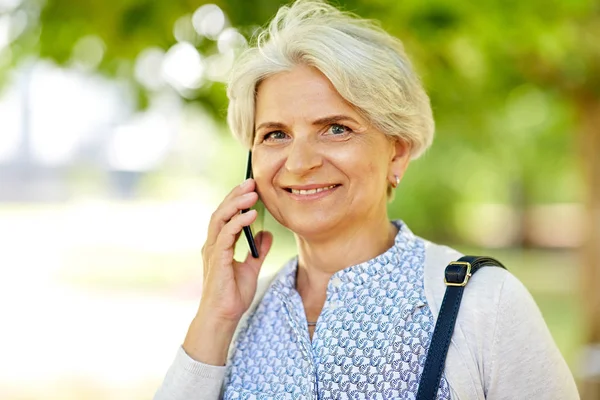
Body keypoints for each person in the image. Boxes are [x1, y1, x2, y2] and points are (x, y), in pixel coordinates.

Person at [154, 0, 579, 398]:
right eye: (275, 134)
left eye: (336, 128)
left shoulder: (484, 304)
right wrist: (215, 318)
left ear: (397, 151)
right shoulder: (236, 317)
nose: (299, 163)